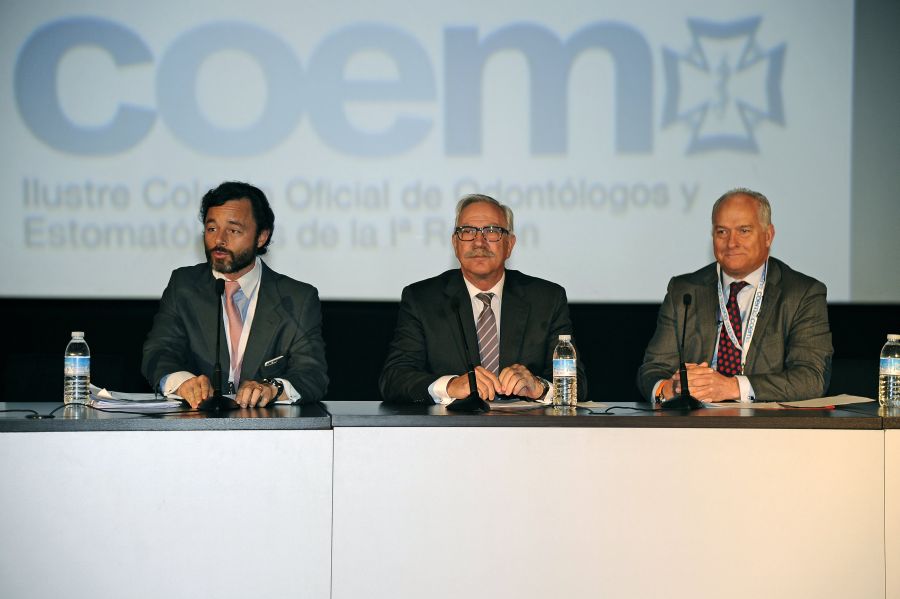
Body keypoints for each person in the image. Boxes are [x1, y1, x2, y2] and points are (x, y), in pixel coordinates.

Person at [380, 194, 587, 403]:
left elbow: (577, 384)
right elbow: (394, 378)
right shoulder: (422, 299)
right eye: (467, 231)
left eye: (492, 231)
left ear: (509, 245)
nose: (479, 242)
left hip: (525, 431)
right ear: (455, 243)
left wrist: (539, 387)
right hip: (449, 432)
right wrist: (450, 386)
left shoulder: (547, 299)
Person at [142, 181, 328, 408]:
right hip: (195, 430)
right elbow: (158, 353)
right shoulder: (183, 286)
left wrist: (272, 388)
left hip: (267, 432)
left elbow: (312, 374)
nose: (219, 240)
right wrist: (183, 382)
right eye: (212, 229)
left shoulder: (297, 299)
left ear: (261, 237)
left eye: (233, 230)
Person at [637, 188, 832, 404]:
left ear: (768, 236)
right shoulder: (684, 290)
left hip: (767, 429)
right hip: (694, 427)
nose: (731, 243)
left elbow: (812, 378)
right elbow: (653, 369)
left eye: (744, 231)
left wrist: (732, 387)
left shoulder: (802, 293)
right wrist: (671, 388)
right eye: (722, 232)